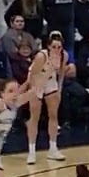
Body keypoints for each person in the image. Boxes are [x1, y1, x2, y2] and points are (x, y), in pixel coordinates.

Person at [25, 31, 67, 165]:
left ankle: (53, 148)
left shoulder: (63, 56)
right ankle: (32, 151)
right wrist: (35, 92)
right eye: (54, 47)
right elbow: (33, 76)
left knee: (53, 115)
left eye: (59, 47)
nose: (56, 49)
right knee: (34, 117)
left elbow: (61, 75)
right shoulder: (41, 56)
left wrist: (59, 90)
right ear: (49, 46)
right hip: (37, 80)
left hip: (51, 81)